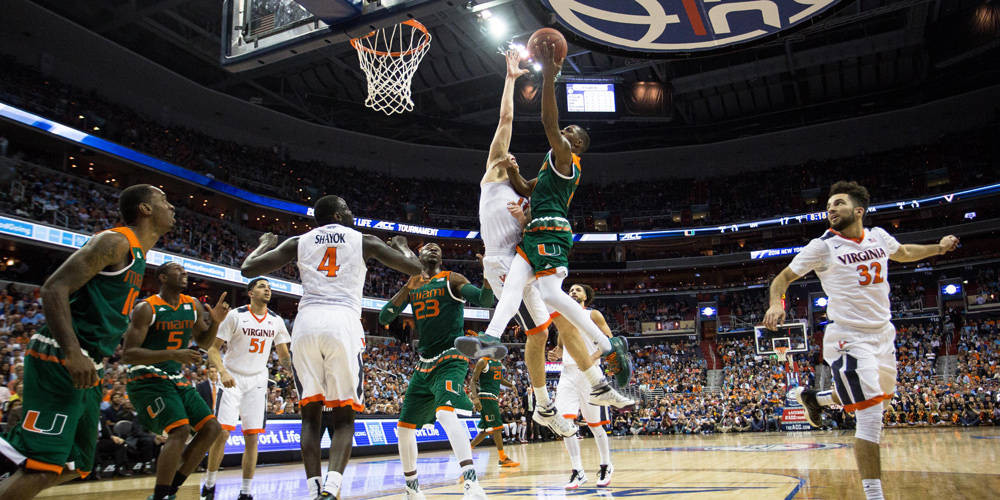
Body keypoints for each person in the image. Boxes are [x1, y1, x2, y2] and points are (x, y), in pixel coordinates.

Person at [456, 49, 632, 438]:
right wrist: (511, 79)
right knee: (542, 325)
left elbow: (534, 190)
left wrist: (526, 216)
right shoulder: (495, 171)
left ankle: (576, 388)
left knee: (552, 319)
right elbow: (506, 119)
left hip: (531, 247)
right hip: (503, 259)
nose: (510, 154)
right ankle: (548, 396)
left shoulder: (550, 174)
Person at [764, 181, 960, 500]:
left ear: (858, 210)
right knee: (870, 416)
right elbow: (782, 278)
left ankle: (816, 398)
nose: (830, 208)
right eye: (828, 205)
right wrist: (777, 303)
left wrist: (938, 248)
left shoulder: (879, 236)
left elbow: (905, 252)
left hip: (883, 334)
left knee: (868, 398)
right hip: (848, 337)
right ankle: (874, 495)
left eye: (838, 203)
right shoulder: (823, 246)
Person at [239, 195, 424, 499]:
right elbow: (414, 268)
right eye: (348, 210)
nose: (352, 214)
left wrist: (264, 243)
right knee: (344, 418)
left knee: (310, 417)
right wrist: (402, 244)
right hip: (342, 324)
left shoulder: (297, 241)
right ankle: (332, 488)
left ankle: (314, 490)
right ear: (338, 215)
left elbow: (248, 269)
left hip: (305, 324)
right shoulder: (364, 240)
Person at [0, 184, 173, 499]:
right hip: (61, 356)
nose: (172, 206)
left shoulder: (139, 255)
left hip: (90, 363)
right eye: (164, 200)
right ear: (145, 209)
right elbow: (54, 289)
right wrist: (71, 353)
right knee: (44, 465)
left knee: (78, 463)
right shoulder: (116, 241)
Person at [379, 243, 494, 500]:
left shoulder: (452, 279)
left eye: (437, 248)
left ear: (441, 257)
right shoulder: (414, 284)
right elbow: (384, 318)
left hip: (451, 357)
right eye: (427, 247)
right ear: (419, 256)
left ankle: (472, 483)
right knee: (404, 427)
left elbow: (486, 300)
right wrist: (403, 291)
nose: (433, 249)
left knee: (444, 414)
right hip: (424, 363)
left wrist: (487, 272)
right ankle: (412, 489)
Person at [122, 262, 229, 500]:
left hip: (174, 377)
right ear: (162, 276)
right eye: (177, 270)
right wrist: (172, 354)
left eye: (185, 271)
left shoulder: (192, 305)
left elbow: (202, 342)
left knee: (213, 429)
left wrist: (216, 323)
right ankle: (161, 495)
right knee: (179, 430)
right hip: (145, 377)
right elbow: (128, 353)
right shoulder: (146, 308)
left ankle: (170, 491)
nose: (184, 273)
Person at [201, 277, 291, 500]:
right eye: (262, 287)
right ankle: (210, 484)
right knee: (222, 433)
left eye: (269, 288)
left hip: (258, 380)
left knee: (252, 437)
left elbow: (283, 355)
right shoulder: (236, 315)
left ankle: (246, 491)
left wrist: (294, 369)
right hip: (232, 376)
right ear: (250, 293)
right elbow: (213, 349)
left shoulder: (277, 321)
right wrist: (222, 372)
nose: (267, 290)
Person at [547, 284, 615, 489]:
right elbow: (561, 344)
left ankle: (606, 464)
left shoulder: (593, 315)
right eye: (570, 291)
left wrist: (591, 358)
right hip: (567, 373)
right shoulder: (563, 316)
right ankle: (577, 470)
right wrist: (556, 352)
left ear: (587, 296)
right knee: (566, 425)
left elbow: (610, 341)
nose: (573, 292)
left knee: (595, 425)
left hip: (590, 374)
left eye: (578, 290)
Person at [469, 357, 518, 467]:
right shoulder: (483, 361)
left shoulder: (498, 363)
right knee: (497, 428)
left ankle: (466, 451)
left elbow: (499, 379)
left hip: (493, 399)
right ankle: (502, 457)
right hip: (486, 397)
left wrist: (511, 385)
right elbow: (473, 380)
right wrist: (475, 398)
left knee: (486, 430)